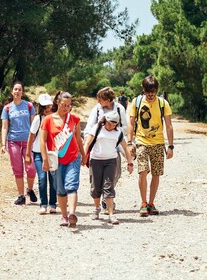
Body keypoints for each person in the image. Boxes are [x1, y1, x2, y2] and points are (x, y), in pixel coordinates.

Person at [127, 75, 174, 217]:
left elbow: (169, 125)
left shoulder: (163, 103)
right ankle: (143, 203)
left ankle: (151, 203)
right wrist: (130, 142)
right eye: (148, 91)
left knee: (156, 173)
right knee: (142, 171)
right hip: (141, 141)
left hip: (158, 143)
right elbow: (131, 122)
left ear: (157, 90)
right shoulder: (137, 102)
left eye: (153, 91)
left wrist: (171, 146)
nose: (150, 94)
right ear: (143, 89)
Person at [40, 91, 86, 228]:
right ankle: (64, 216)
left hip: (73, 157)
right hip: (56, 160)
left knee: (71, 186)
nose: (66, 108)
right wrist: (44, 160)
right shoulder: (47, 120)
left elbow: (78, 139)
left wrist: (83, 155)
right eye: (64, 105)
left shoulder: (74, 119)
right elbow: (42, 141)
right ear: (57, 102)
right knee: (60, 189)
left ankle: (72, 214)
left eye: (69, 105)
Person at [83, 87, 129, 214]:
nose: (98, 101)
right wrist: (87, 142)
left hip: (114, 145)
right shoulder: (97, 109)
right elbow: (89, 126)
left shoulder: (120, 109)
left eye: (100, 99)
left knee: (116, 173)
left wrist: (115, 132)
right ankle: (106, 198)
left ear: (108, 100)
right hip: (98, 147)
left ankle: (107, 192)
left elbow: (125, 127)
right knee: (97, 178)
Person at [83, 111, 134, 225]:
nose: (111, 126)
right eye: (109, 124)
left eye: (114, 124)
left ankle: (111, 214)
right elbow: (87, 143)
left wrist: (130, 163)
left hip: (111, 161)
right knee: (96, 187)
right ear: (105, 121)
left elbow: (125, 148)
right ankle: (96, 209)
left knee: (108, 186)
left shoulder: (118, 132)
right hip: (96, 161)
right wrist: (84, 157)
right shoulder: (97, 128)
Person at [0, 81, 38, 205]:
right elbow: (5, 127)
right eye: (15, 89)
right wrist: (3, 144)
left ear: (22, 92)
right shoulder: (7, 108)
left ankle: (30, 189)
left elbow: (34, 125)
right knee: (18, 169)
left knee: (31, 169)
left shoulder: (29, 106)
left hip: (28, 142)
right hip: (13, 142)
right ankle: (21, 195)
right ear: (12, 92)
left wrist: (36, 139)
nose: (17, 91)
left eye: (19, 89)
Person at [25, 93, 56, 214]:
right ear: (41, 107)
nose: (48, 109)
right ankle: (43, 204)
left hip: (52, 153)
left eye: (49, 106)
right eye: (45, 106)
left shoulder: (55, 118)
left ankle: (52, 204)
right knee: (42, 178)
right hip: (38, 152)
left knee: (53, 179)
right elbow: (31, 136)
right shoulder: (38, 119)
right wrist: (27, 153)